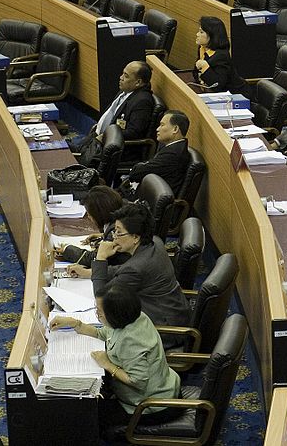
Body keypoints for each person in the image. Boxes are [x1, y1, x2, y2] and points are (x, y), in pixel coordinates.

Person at [50, 285, 183, 433]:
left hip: (153, 406)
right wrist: (75, 323)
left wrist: (107, 364)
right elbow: (102, 333)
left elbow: (137, 381)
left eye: (99, 312)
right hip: (163, 385)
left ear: (114, 314)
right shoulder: (131, 317)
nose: (97, 315)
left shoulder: (131, 340)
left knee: (87, 417)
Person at [72, 203, 190, 330]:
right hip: (176, 312)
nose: (114, 237)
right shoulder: (155, 242)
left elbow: (102, 301)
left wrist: (100, 258)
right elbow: (121, 269)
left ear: (135, 237)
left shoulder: (136, 268)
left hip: (163, 328)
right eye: (114, 231)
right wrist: (90, 272)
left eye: (119, 232)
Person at [76, 60, 156, 171]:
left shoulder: (142, 101)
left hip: (115, 148)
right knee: (65, 150)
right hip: (96, 139)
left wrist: (106, 136)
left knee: (75, 164)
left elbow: (134, 132)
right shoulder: (125, 91)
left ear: (138, 82)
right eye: (123, 73)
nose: (121, 77)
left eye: (126, 76)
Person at [120, 111, 190, 198]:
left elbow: (136, 173)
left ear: (175, 129)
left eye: (162, 125)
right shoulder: (173, 147)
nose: (157, 129)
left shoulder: (172, 154)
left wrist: (138, 167)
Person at [57, 185, 125, 267]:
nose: (88, 217)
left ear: (99, 213)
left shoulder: (116, 229)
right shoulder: (120, 217)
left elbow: (93, 258)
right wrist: (102, 236)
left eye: (90, 214)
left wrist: (66, 249)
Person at [193, 16, 245, 93]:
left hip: (235, 95)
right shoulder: (203, 48)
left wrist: (205, 67)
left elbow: (217, 85)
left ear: (212, 36)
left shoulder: (221, 56)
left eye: (201, 32)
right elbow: (195, 73)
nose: (197, 34)